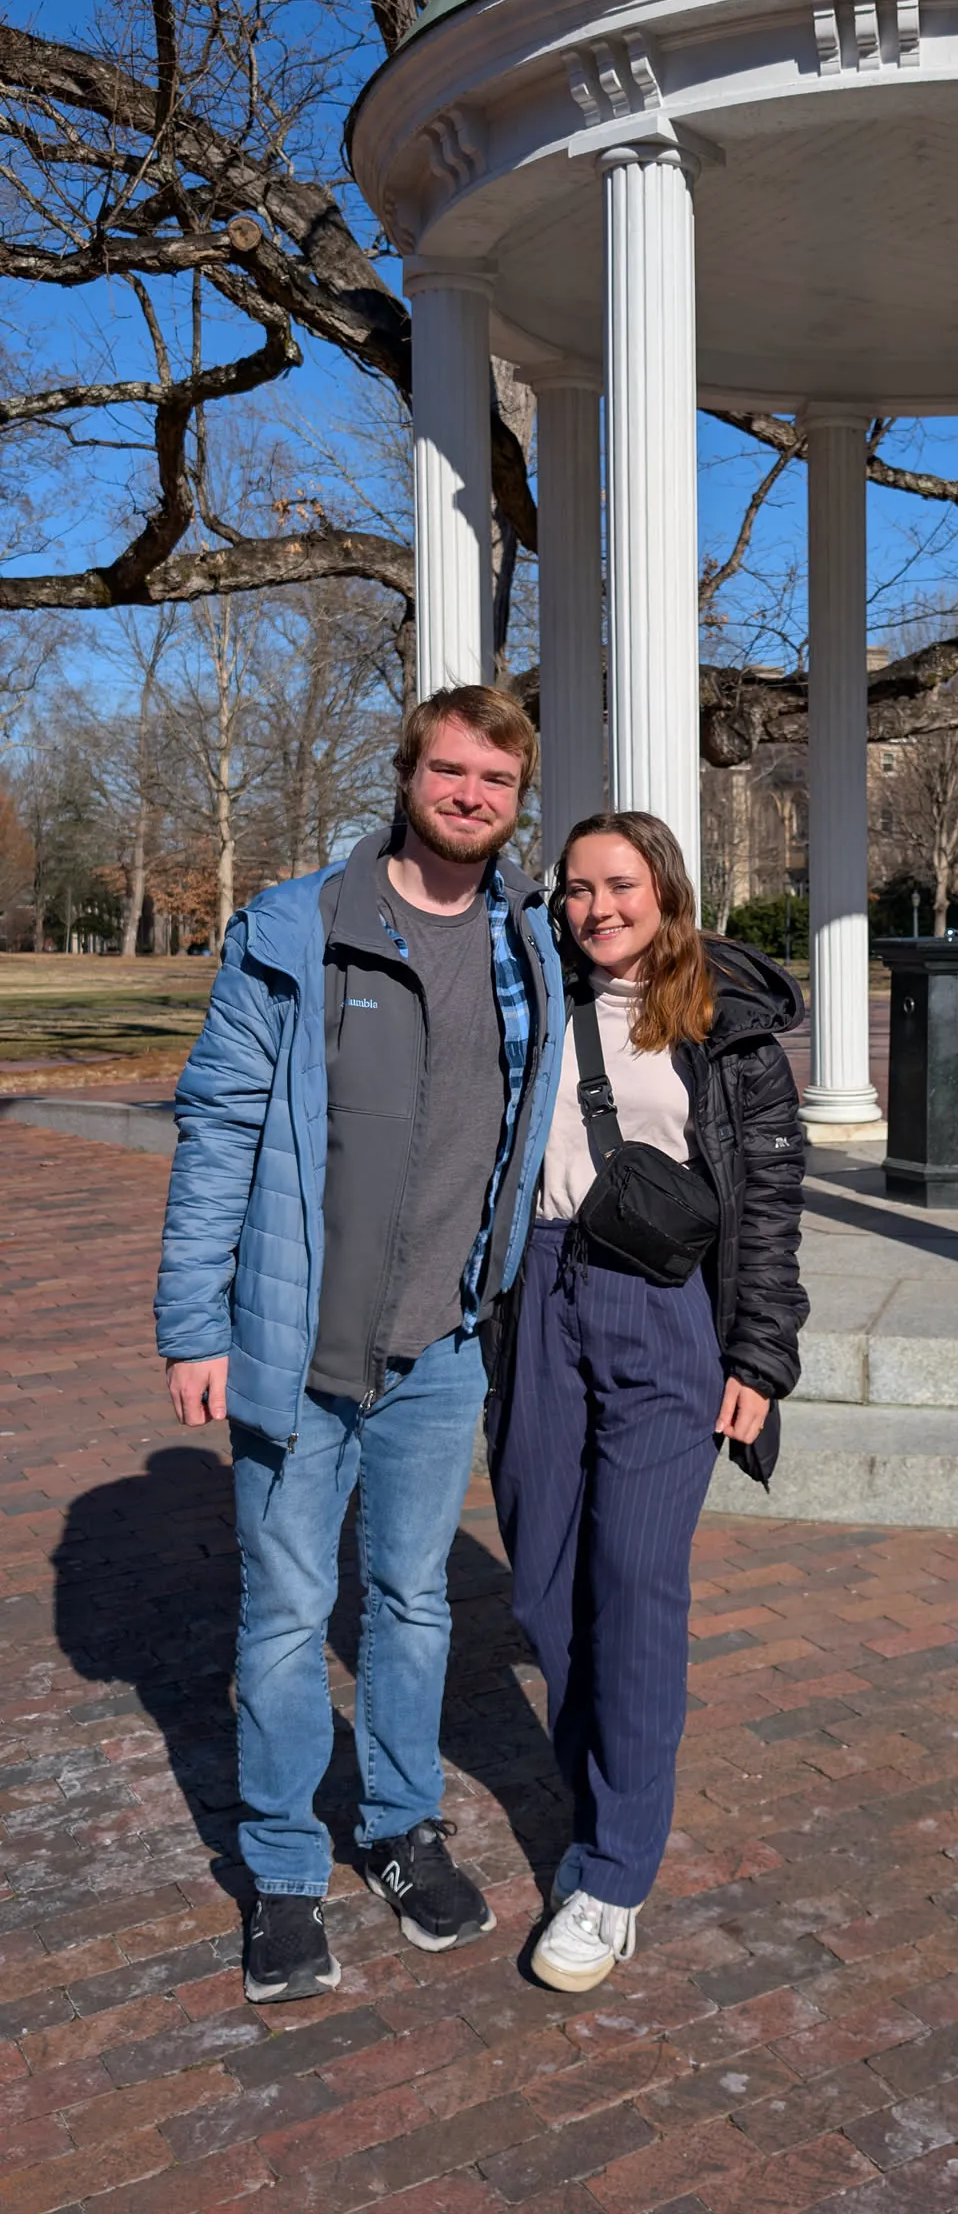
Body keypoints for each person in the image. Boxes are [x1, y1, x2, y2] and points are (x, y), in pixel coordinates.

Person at [154, 684, 564, 2006]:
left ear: (516, 798)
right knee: (282, 1617)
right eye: (448, 771)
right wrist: (193, 1322)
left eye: (492, 781)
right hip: (293, 1349)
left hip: (442, 1350)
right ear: (406, 776)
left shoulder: (529, 946)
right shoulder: (298, 928)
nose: (468, 796)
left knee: (413, 1602)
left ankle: (396, 1831)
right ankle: (280, 1873)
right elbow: (217, 1123)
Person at [488, 810, 807, 1994]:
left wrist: (758, 1359)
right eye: (575, 888)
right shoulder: (530, 1000)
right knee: (542, 1580)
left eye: (619, 884)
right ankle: (603, 1789)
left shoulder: (729, 1029)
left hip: (664, 1313)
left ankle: (613, 1873)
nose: (596, 907)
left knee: (634, 1582)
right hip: (540, 1296)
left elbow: (769, 1207)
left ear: (666, 890)